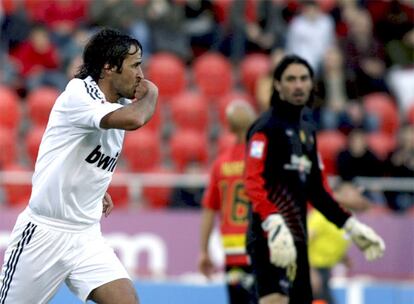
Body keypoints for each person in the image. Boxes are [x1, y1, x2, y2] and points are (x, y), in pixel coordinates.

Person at [0, 28, 158, 304]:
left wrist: (94, 188)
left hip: (86, 235)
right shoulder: (79, 94)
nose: (141, 75)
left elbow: (86, 154)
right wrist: (152, 94)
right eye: (135, 65)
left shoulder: (117, 103)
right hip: (44, 232)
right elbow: (135, 119)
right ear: (109, 68)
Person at [244, 55, 385, 304]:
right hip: (270, 236)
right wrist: (273, 222)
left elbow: (318, 191)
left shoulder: (307, 131)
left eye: (303, 79)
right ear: (277, 85)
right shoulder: (264, 128)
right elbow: (252, 181)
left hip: (298, 238)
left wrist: (350, 225)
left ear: (311, 84)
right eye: (291, 79)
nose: (298, 85)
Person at [198, 100, 257, 304]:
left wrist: (204, 251)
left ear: (229, 127)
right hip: (261, 247)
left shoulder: (221, 163)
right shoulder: (263, 159)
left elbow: (208, 210)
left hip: (233, 252)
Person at [308, 174, 372, 304]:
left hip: (324, 271)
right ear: (340, 194)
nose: (357, 195)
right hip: (312, 270)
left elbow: (330, 240)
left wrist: (343, 258)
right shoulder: (323, 214)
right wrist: (310, 271)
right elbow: (302, 241)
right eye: (352, 192)